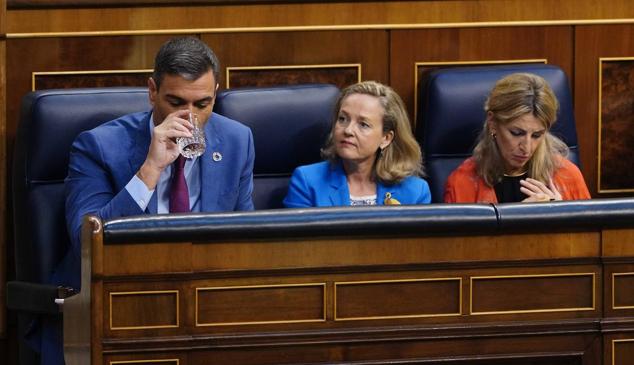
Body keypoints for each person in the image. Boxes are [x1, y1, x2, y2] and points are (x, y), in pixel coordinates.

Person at [35, 37, 254, 365]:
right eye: (176, 101)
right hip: (116, 302)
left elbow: (245, 236)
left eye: (202, 104)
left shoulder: (237, 140)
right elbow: (87, 243)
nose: (190, 117)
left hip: (200, 306)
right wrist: (151, 168)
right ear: (152, 91)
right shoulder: (98, 146)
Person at [444, 72, 590, 203]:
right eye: (516, 133)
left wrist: (561, 216)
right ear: (493, 123)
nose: (526, 147)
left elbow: (588, 233)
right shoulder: (462, 182)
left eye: (537, 135)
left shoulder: (568, 176)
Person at [284, 81, 431, 207]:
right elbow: (298, 240)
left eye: (363, 125)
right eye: (342, 119)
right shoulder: (307, 182)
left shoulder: (415, 192)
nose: (348, 130)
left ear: (386, 138)